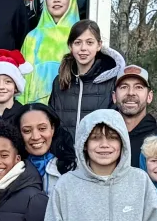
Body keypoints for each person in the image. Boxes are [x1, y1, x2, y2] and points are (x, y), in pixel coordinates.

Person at [49, 19, 125, 158]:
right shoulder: (60, 82)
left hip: (97, 160)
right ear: (71, 46)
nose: (83, 48)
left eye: (89, 42)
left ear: (99, 45)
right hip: (64, 159)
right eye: (78, 42)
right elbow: (52, 121)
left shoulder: (111, 82)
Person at [21, 0, 77, 103]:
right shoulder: (33, 37)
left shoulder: (80, 36)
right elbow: (22, 78)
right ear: (45, 1)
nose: (56, 0)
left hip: (70, 106)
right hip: (37, 111)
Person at [114, 65, 157, 160]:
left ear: (149, 96)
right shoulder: (101, 143)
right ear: (114, 97)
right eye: (124, 87)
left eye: (138, 87)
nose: (131, 92)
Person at [18, 103, 69, 194]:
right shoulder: (10, 167)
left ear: (52, 128)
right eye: (27, 131)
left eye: (42, 128)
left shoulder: (72, 166)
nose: (35, 136)